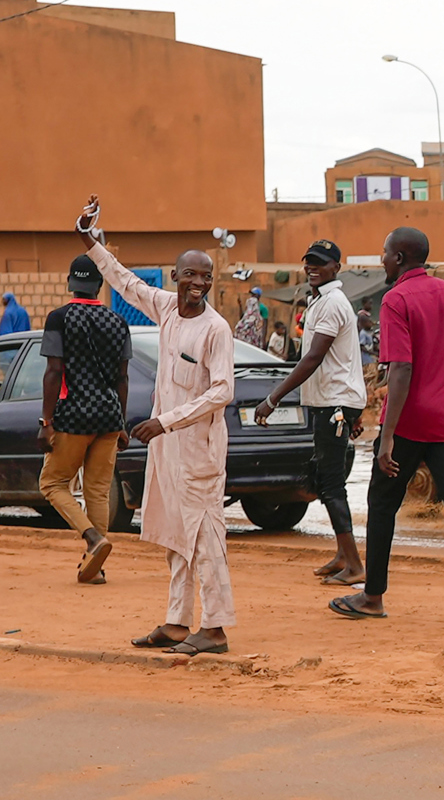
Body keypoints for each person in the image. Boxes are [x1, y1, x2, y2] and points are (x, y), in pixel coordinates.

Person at [77, 195, 237, 656]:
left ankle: (217, 628)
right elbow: (124, 282)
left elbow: (222, 391)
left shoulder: (216, 329)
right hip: (167, 451)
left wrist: (165, 421)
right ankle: (176, 622)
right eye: (190, 274)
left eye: (206, 276)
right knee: (174, 535)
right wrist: (90, 240)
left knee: (206, 536)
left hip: (198, 450)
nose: (198, 283)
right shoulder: (165, 308)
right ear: (175, 277)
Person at [328, 227, 444, 625]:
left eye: (385, 253)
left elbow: (402, 368)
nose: (382, 260)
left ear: (401, 258)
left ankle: (372, 597)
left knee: (383, 503)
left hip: (409, 422)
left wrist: (386, 436)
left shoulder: (396, 299)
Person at [253, 239, 368, 586]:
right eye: (309, 262)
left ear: (336, 267)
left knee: (331, 484)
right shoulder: (320, 300)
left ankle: (355, 565)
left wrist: (273, 398)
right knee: (322, 478)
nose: (312, 267)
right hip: (331, 402)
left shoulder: (332, 303)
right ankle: (343, 555)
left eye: (320, 262)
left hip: (334, 403)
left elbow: (314, 357)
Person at [37, 254, 132, 585]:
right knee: (97, 491)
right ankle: (97, 568)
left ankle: (92, 539)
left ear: (69, 284)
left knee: (51, 483)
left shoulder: (59, 318)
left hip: (74, 416)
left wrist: (46, 420)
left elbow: (54, 370)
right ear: (99, 286)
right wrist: (120, 422)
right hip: (108, 416)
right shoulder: (118, 323)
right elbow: (123, 378)